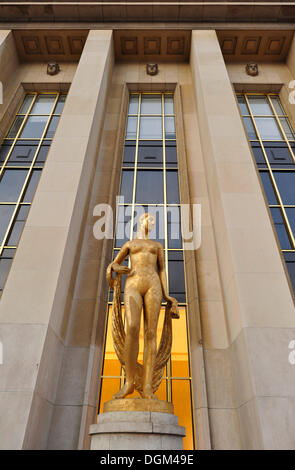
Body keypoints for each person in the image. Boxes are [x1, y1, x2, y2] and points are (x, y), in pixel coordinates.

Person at [106, 212, 179, 399]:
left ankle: (147, 386)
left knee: (151, 333)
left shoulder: (157, 246)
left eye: (155, 220)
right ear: (141, 221)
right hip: (133, 282)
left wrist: (167, 295)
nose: (152, 223)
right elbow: (115, 263)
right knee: (132, 327)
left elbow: (161, 270)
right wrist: (114, 268)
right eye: (150, 219)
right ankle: (129, 382)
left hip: (152, 284)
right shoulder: (131, 244)